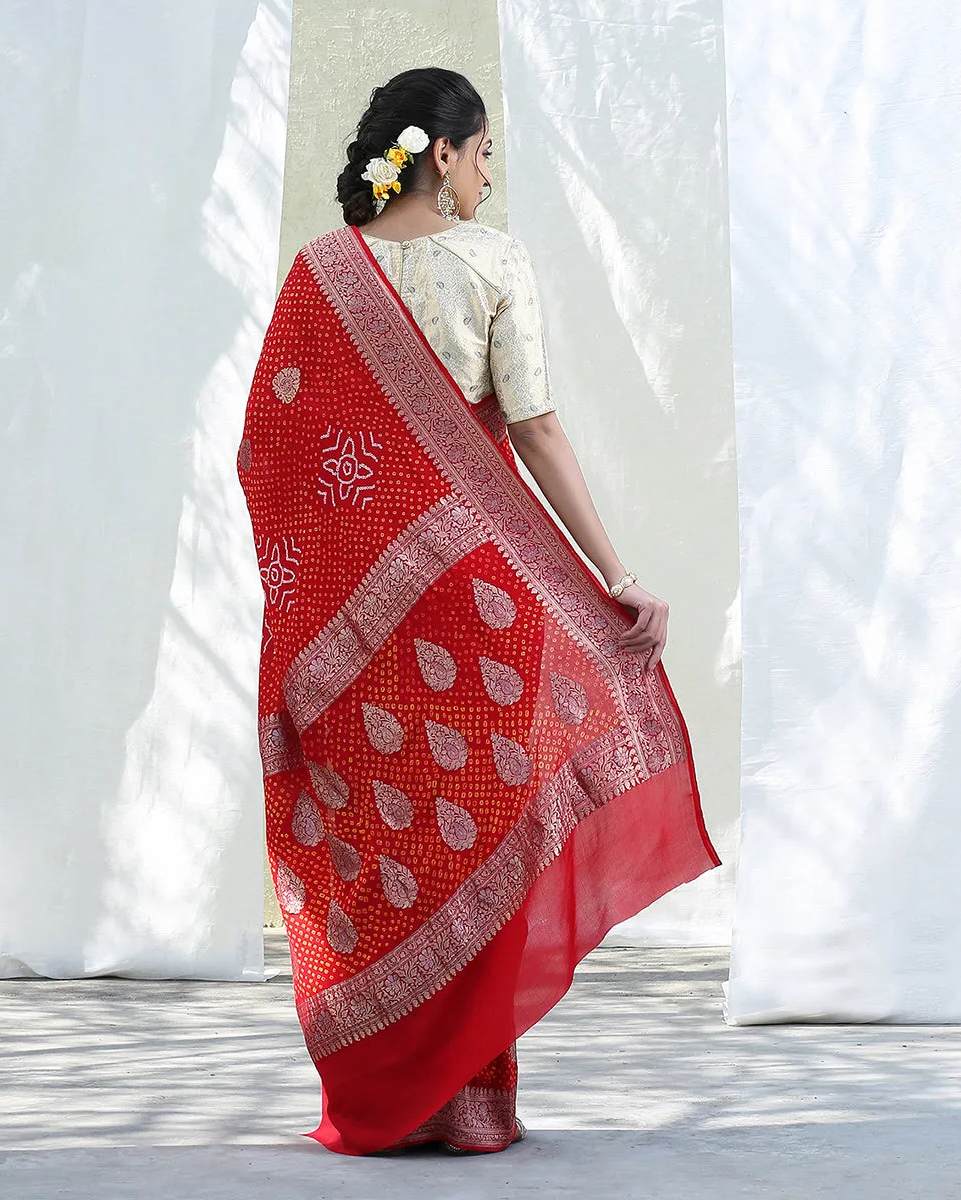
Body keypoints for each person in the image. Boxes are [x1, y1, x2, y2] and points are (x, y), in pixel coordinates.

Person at [236, 66, 720, 1157]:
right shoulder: (493, 263)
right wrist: (613, 574)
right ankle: (470, 1108)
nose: (489, 176)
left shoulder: (320, 274)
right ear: (440, 153)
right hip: (481, 604)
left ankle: (381, 1097)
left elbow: (271, 453)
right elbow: (535, 429)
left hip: (359, 621)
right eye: (485, 152)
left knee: (389, 834)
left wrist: (317, 596)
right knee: (480, 831)